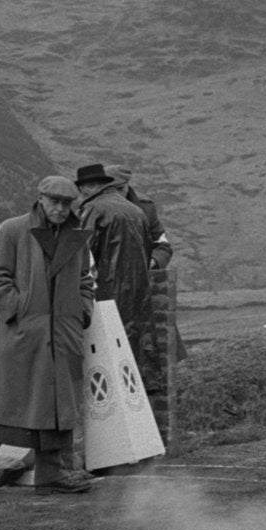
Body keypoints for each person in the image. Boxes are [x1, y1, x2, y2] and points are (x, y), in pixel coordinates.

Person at [0, 176, 95, 494]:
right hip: (21, 334)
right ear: (40, 199)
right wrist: (18, 312)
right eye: (54, 201)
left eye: (66, 203)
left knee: (54, 409)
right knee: (1, 405)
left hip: (62, 335)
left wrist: (82, 311)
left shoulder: (76, 238)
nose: (60, 208)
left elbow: (84, 278)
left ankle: (51, 476)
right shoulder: (12, 230)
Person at [74, 164, 159, 391]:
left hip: (105, 292)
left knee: (106, 356)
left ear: (90, 187)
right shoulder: (136, 211)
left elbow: (79, 253)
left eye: (82, 190)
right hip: (138, 294)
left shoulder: (93, 209)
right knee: (134, 351)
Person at [105, 165, 173, 269]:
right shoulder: (90, 208)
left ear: (128, 185)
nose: (116, 195)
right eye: (110, 190)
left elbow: (162, 245)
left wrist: (152, 262)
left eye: (120, 189)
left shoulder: (146, 208)